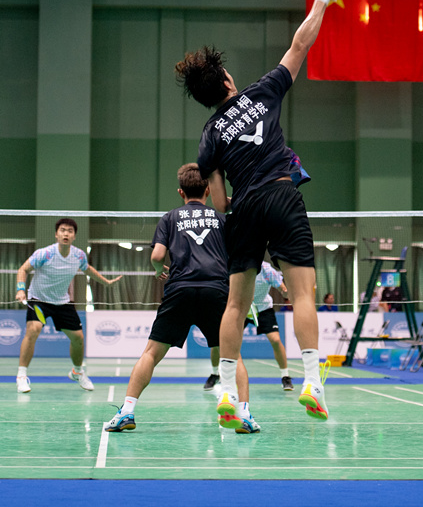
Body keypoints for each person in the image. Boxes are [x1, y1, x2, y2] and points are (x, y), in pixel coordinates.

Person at [175, 0, 339, 422]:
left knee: (235, 304)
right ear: (228, 79)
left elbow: (219, 203)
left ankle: (228, 391)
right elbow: (300, 44)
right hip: (282, 195)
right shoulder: (263, 92)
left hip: (244, 208)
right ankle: (312, 383)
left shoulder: (209, 135)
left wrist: (238, 208)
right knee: (302, 294)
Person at [105, 164, 257, 432]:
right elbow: (238, 254)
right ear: (208, 190)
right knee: (234, 356)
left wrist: (158, 270)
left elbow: (157, 256)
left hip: (179, 290)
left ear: (180, 192)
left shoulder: (170, 218)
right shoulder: (222, 219)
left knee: (151, 354)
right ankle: (243, 415)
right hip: (216, 291)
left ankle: (127, 411)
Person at [15, 218, 121, 394]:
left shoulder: (78, 256)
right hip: (39, 299)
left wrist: (106, 282)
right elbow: (23, 269)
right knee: (33, 330)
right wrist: (20, 289)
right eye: (63, 230)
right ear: (56, 234)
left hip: (62, 301)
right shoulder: (44, 254)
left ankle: (77, 372)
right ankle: (21, 376)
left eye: (70, 231)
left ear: (74, 236)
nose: (66, 233)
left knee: (78, 338)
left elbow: (87, 269)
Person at [245, 261, 294, 391]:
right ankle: (216, 373)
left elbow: (282, 288)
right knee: (222, 341)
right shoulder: (239, 263)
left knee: (275, 340)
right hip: (242, 307)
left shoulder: (266, 269)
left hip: (263, 308)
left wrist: (286, 292)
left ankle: (285, 376)